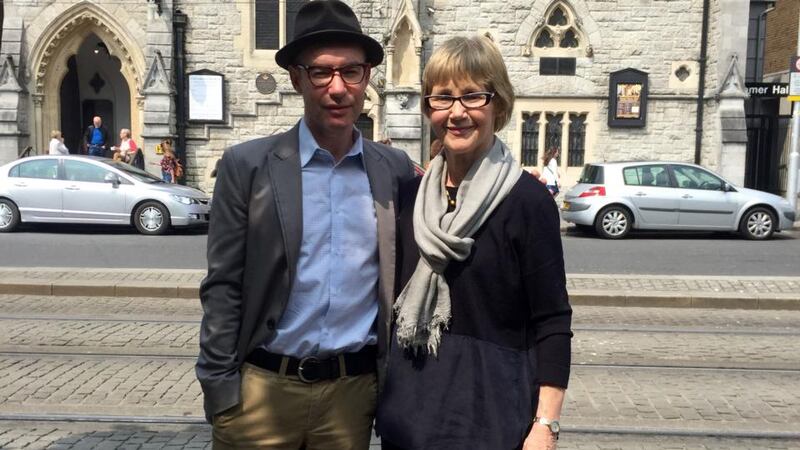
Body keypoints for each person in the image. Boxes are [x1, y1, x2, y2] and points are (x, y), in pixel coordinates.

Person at [196, 1, 416, 449]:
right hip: (261, 392)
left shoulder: (392, 169)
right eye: (321, 72)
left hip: (350, 398)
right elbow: (223, 286)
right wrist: (221, 391)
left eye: (351, 71)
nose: (338, 88)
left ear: (368, 76)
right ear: (297, 78)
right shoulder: (248, 166)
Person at [375, 36, 573, 450]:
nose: (457, 112)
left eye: (472, 96)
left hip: (490, 419)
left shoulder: (527, 202)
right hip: (410, 417)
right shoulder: (410, 197)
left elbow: (552, 321)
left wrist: (546, 424)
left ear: (498, 104)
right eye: (443, 98)